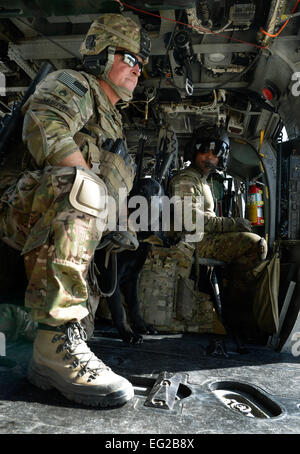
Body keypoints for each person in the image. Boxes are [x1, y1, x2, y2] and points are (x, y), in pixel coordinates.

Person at [0, 13, 151, 407]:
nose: (138, 69)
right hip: (17, 206)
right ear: (102, 55)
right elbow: (45, 123)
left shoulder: (112, 121)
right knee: (83, 187)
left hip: (52, 223)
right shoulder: (77, 85)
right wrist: (96, 195)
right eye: (129, 58)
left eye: (141, 63)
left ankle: (51, 344)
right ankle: (53, 345)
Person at [168, 123, 267, 274]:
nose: (209, 156)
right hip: (190, 241)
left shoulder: (201, 180)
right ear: (194, 150)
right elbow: (190, 220)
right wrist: (233, 224)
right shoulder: (186, 179)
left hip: (201, 238)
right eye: (204, 149)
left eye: (216, 152)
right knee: (256, 244)